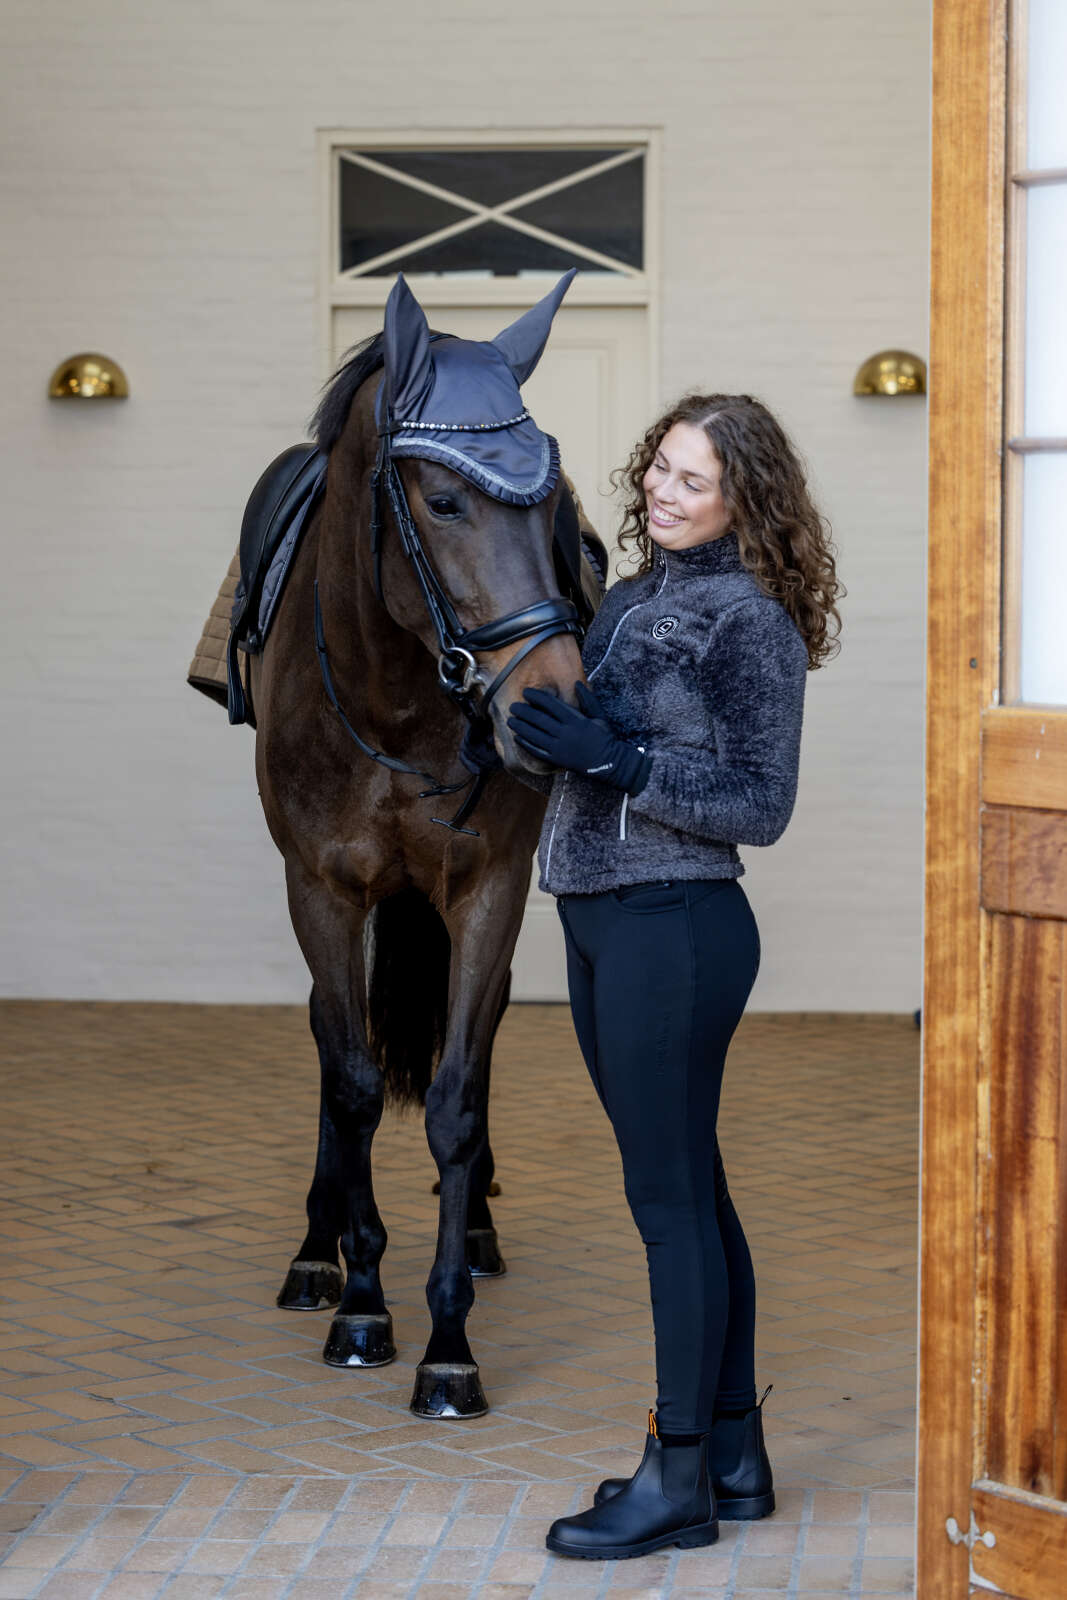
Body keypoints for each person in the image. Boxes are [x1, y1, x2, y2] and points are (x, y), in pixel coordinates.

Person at [507, 393, 842, 1562]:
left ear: (743, 497)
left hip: (676, 922)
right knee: (689, 1187)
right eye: (657, 468)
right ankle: (736, 1456)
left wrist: (619, 757)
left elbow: (760, 803)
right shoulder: (636, 596)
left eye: (689, 480)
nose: (660, 490)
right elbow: (581, 741)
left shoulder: (749, 619)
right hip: (598, 914)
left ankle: (676, 1475)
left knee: (664, 1207)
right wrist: (537, 733)